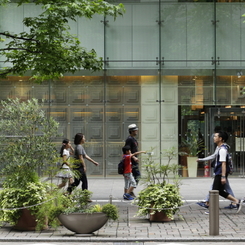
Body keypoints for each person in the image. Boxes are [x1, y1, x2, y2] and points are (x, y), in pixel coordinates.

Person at [198, 131, 242, 214]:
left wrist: (223, 176)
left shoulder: (222, 149)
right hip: (219, 172)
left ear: (220, 138)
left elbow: (223, 163)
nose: (214, 138)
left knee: (214, 191)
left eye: (215, 136)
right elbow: (214, 156)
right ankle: (237, 201)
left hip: (220, 173)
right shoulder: (220, 148)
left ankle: (213, 210)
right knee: (219, 191)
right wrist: (202, 160)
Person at [125, 124, 141, 196]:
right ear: (131, 131)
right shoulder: (129, 139)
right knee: (137, 175)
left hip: (134, 161)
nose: (136, 131)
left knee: (134, 176)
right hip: (131, 161)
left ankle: (129, 191)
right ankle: (129, 192)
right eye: (135, 130)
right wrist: (134, 157)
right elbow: (127, 150)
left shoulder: (133, 139)